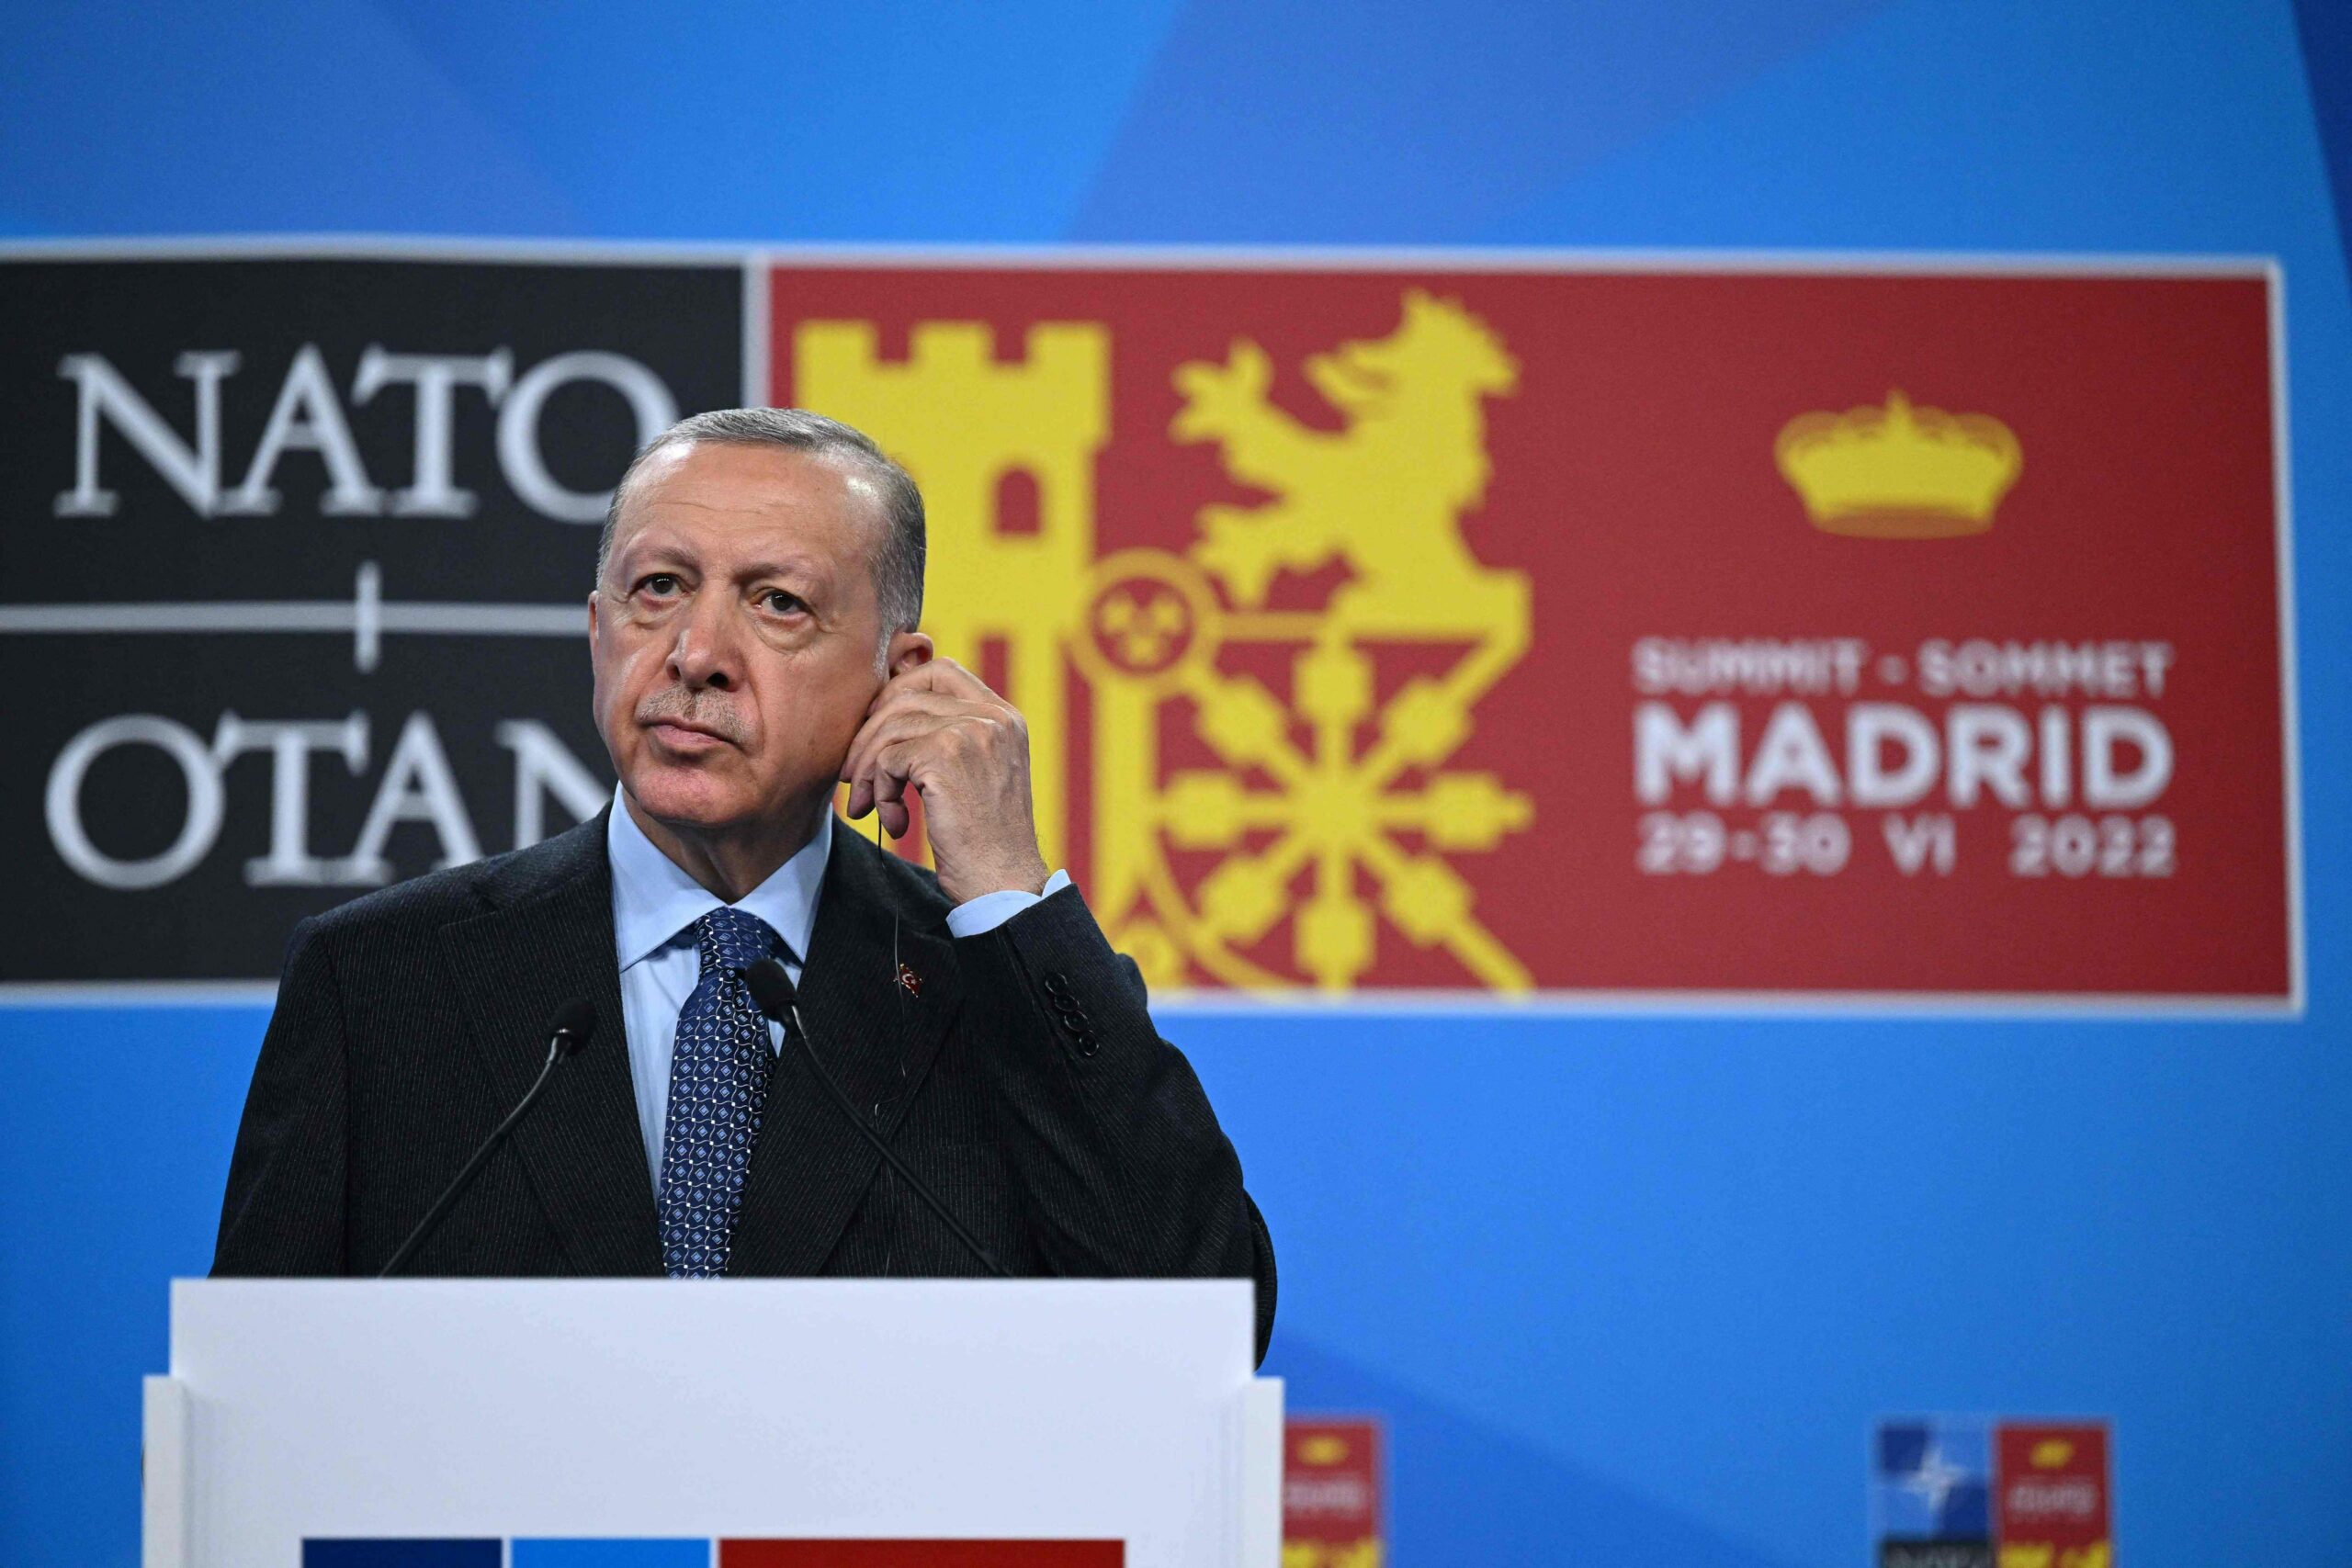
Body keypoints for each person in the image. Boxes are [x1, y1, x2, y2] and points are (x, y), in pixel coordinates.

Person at [213, 407, 1275, 1363]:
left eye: (777, 603)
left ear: (897, 678)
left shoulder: (993, 985)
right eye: (659, 588)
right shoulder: (382, 981)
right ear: (597, 631)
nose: (696, 653)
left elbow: (1204, 1323)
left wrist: (1002, 886)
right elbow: (254, 1402)